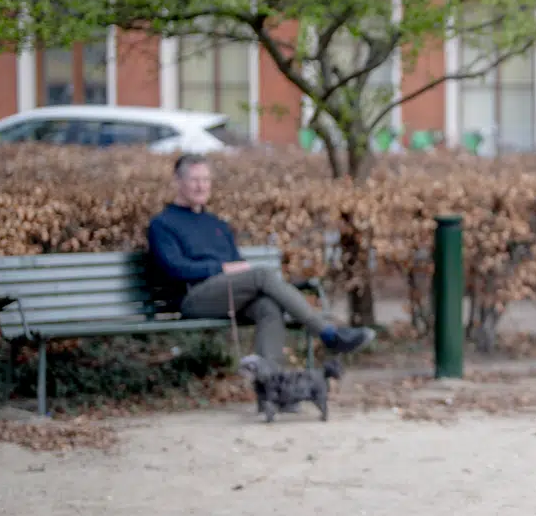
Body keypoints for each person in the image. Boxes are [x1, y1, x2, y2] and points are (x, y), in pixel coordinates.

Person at [147, 154, 374, 367]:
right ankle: (327, 333)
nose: (201, 186)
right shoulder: (163, 224)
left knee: (268, 307)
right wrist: (220, 268)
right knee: (262, 275)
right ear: (178, 181)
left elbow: (236, 263)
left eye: (206, 180)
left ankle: (271, 384)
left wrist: (230, 270)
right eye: (194, 180)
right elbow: (174, 268)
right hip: (193, 299)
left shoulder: (217, 225)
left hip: (228, 295)